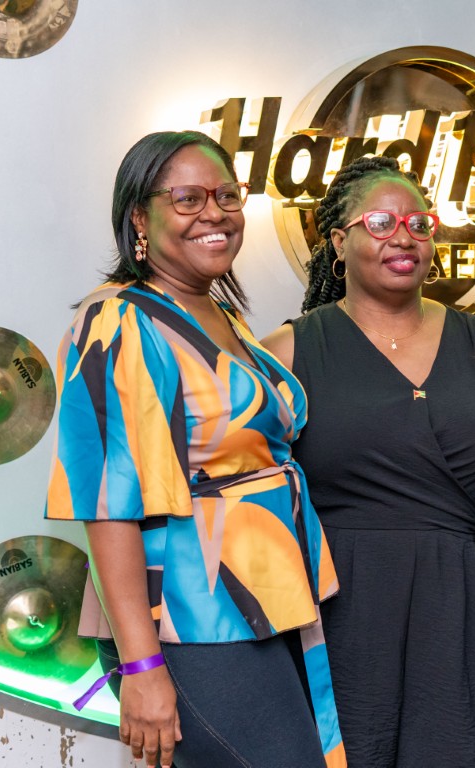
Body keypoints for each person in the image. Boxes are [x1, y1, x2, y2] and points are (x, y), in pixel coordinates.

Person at [44, 131, 345, 768]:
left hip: (259, 600)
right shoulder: (120, 321)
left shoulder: (216, 312)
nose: (215, 213)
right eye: (187, 199)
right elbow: (108, 504)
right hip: (187, 613)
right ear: (139, 218)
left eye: (227, 195)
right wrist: (142, 666)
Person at [261, 155, 475, 768]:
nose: (403, 237)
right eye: (380, 223)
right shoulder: (286, 352)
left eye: (418, 224)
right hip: (341, 612)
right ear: (337, 242)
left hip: (459, 606)